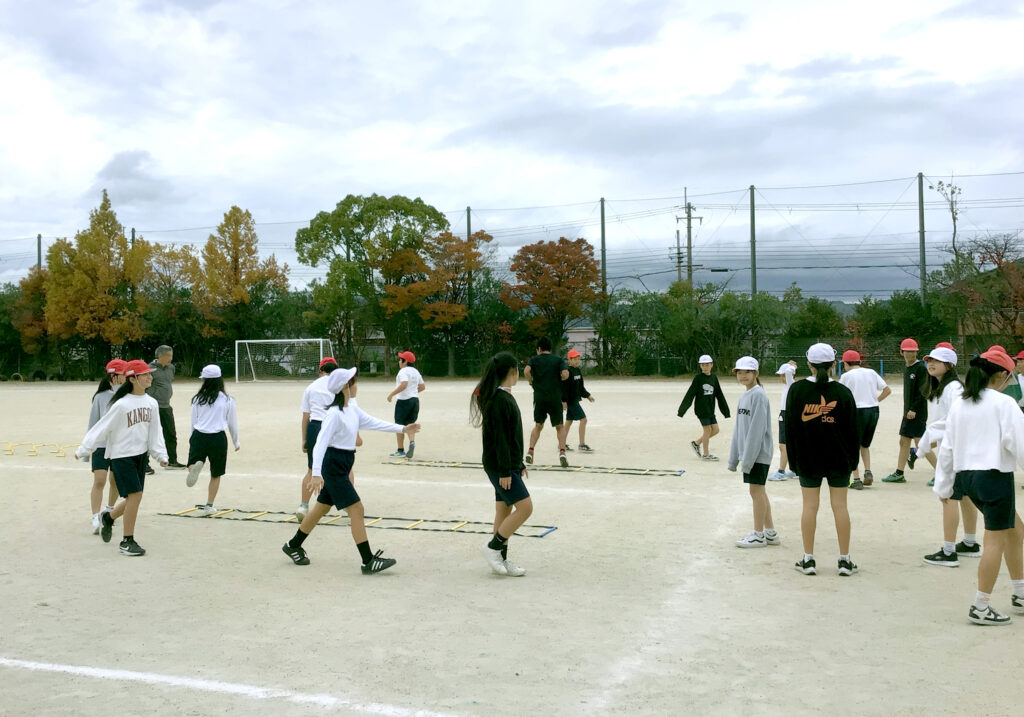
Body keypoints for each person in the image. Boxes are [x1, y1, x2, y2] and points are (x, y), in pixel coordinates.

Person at [282, 367, 420, 574]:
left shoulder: (351, 409)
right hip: (334, 465)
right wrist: (317, 473)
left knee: (321, 508)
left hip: (344, 462)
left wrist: (402, 429)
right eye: (354, 382)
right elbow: (320, 443)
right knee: (357, 509)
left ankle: (293, 545)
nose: (357, 385)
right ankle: (368, 561)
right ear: (345, 387)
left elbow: (373, 422)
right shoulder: (334, 414)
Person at [934, 348, 1024, 625]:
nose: (1010, 382)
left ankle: (1020, 592)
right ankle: (981, 606)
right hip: (994, 477)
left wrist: (944, 486)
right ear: (1000, 375)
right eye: (1009, 377)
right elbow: (1018, 443)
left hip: (968, 478)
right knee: (995, 540)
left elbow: (947, 447)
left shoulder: (961, 403)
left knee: (1015, 530)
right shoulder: (1003, 403)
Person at [75, 359, 168, 556]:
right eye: (146, 374)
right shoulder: (121, 404)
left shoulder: (151, 403)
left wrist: (160, 454)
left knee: (136, 497)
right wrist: (84, 449)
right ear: (133, 379)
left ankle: (108, 518)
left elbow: (155, 431)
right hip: (121, 456)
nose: (150, 377)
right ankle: (127, 541)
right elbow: (101, 427)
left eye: (150, 374)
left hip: (140, 456)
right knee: (135, 496)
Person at [785, 343, 859, 576]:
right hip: (839, 459)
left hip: (808, 458)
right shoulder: (843, 392)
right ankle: (845, 560)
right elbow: (853, 431)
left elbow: (790, 429)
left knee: (809, 506)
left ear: (809, 364)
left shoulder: (796, 391)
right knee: (840, 507)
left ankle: (808, 559)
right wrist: (853, 462)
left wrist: (794, 461)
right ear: (833, 364)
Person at [471, 352, 532, 577]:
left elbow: (511, 436)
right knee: (525, 508)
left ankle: (502, 560)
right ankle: (493, 547)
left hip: (507, 464)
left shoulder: (505, 396)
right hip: (499, 466)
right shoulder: (498, 400)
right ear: (512, 372)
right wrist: (507, 470)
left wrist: (519, 463)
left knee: (503, 510)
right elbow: (499, 439)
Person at [918, 346, 979, 566]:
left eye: (937, 360)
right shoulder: (942, 387)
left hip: (953, 449)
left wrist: (928, 438)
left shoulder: (952, 388)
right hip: (956, 447)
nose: (931, 363)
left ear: (950, 365)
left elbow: (954, 420)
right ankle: (970, 543)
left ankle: (948, 550)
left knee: (948, 496)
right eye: (929, 360)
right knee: (963, 496)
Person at [728, 357, 778, 548]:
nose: (743, 376)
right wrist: (734, 458)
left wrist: (747, 459)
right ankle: (770, 532)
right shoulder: (745, 396)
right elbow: (739, 429)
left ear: (756, 373)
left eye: (747, 372)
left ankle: (758, 534)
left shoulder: (758, 395)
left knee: (756, 492)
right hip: (750, 453)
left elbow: (757, 430)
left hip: (757, 453)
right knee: (759, 492)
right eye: (739, 373)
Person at [185, 365, 240, 516]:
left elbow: (193, 421)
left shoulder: (197, 399)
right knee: (216, 473)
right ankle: (209, 505)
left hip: (199, 435)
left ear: (204, 380)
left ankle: (194, 468)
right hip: (217, 438)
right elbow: (232, 423)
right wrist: (236, 442)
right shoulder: (227, 400)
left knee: (192, 462)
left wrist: (192, 438)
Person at [838, 350, 891, 489]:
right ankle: (868, 472)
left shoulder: (845, 376)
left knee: (852, 445)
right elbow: (887, 390)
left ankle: (856, 479)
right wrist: (875, 400)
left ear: (845, 363)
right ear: (859, 362)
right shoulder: (871, 372)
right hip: (873, 410)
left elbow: (841, 396)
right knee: (865, 445)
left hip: (856, 411)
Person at [87, 359, 127, 534]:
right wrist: (87, 446)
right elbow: (93, 423)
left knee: (115, 480)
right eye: (123, 374)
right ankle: (95, 516)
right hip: (101, 445)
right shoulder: (100, 396)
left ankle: (109, 510)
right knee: (100, 480)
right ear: (114, 376)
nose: (127, 377)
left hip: (120, 445)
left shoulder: (128, 395)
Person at [296, 357, 339, 520]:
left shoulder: (311, 387)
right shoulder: (340, 385)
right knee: (344, 467)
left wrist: (304, 439)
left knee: (312, 468)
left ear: (321, 370)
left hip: (315, 427)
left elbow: (305, 416)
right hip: (334, 426)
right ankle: (348, 505)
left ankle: (304, 505)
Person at [883, 338, 929, 483]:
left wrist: (914, 409)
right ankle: (899, 473)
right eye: (908, 351)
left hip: (916, 412)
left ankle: (941, 472)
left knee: (921, 443)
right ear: (902, 352)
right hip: (908, 412)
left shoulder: (921, 368)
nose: (911, 354)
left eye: (913, 351)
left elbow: (923, 391)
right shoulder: (907, 368)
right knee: (904, 441)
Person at [524, 336, 570, 467]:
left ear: (539, 349)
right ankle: (562, 452)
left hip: (539, 397)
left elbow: (526, 371)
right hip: (555, 397)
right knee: (559, 426)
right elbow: (566, 374)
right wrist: (561, 377)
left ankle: (530, 451)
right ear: (549, 348)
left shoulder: (534, 360)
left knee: (538, 425)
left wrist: (531, 381)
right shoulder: (558, 360)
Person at [677, 354, 730, 461]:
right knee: (707, 430)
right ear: (700, 366)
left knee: (715, 430)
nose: (705, 367)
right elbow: (690, 394)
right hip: (701, 409)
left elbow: (719, 394)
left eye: (707, 365)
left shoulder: (714, 378)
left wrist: (725, 411)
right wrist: (682, 411)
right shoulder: (698, 379)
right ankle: (706, 455)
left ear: (711, 365)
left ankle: (696, 443)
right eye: (703, 365)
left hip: (710, 409)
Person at [147, 345, 185, 470]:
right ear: (160, 356)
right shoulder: (149, 369)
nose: (171, 358)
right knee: (148, 434)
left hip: (166, 406)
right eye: (168, 355)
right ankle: (144, 463)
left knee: (170, 433)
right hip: (152, 406)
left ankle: (172, 461)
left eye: (171, 355)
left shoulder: (171, 368)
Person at [386, 350, 425, 459]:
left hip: (404, 402)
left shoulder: (403, 371)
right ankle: (412, 443)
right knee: (410, 424)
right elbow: (422, 387)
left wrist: (392, 394)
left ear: (405, 361)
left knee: (399, 426)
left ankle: (400, 450)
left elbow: (404, 384)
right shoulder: (416, 372)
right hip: (415, 401)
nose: (399, 361)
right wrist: (413, 392)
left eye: (400, 359)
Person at [769, 361, 798, 481]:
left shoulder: (791, 384)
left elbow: (788, 372)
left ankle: (781, 471)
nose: (781, 378)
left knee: (783, 445)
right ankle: (794, 470)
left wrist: (793, 366)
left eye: (782, 376)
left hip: (787, 415)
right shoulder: (788, 386)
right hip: (785, 415)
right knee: (788, 445)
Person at [561, 349, 595, 452]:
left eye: (578, 359)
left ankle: (561, 445)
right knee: (583, 420)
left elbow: (581, 387)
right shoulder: (567, 371)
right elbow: (563, 388)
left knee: (569, 422)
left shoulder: (578, 371)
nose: (576, 361)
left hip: (575, 400)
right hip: (571, 401)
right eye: (574, 359)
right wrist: (564, 401)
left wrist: (588, 395)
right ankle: (581, 445)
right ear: (569, 360)